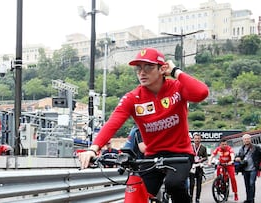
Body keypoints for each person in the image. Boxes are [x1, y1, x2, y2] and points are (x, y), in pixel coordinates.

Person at [79, 47, 209, 203]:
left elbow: (202, 93)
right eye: (138, 68)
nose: (142, 72)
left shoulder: (177, 88)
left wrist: (175, 71)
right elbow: (113, 122)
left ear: (162, 69)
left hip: (180, 154)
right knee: (137, 192)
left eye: (148, 67)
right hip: (152, 156)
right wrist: (93, 149)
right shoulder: (133, 98)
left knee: (173, 184)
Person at [235, 134, 261, 203]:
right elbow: (239, 156)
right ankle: (248, 199)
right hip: (245, 169)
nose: (247, 140)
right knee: (247, 185)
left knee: (252, 183)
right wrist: (237, 158)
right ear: (243, 140)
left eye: (248, 139)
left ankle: (251, 200)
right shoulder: (242, 149)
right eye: (245, 139)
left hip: (253, 169)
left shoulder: (256, 147)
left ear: (250, 139)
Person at [189, 133, 208, 203]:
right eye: (196, 138)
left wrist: (202, 159)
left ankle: (197, 198)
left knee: (199, 184)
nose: (197, 140)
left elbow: (206, 157)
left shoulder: (203, 147)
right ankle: (190, 198)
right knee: (191, 184)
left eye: (198, 138)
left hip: (199, 167)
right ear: (193, 139)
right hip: (192, 167)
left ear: (200, 139)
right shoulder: (190, 147)